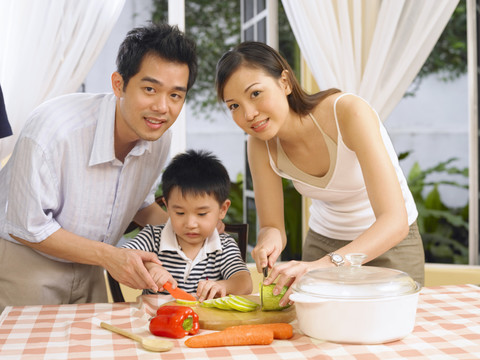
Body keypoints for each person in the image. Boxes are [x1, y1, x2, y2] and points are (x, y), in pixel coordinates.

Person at [0, 23, 198, 313]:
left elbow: (139, 204)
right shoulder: (54, 130)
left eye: (175, 95)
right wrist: (110, 257)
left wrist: (192, 228)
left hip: (93, 266)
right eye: (149, 89)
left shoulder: (158, 138)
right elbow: (26, 227)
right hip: (27, 262)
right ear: (119, 84)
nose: (162, 107)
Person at [215, 41, 425, 307]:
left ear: (285, 82)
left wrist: (323, 265)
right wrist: (268, 242)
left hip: (389, 243)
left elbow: (395, 222)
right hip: (323, 243)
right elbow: (273, 226)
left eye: (255, 93)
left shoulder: (348, 112)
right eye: (233, 106)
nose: (249, 114)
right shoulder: (259, 145)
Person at [122, 149, 252, 301]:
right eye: (180, 213)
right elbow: (123, 257)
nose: (190, 224)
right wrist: (151, 267)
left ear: (222, 209)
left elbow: (245, 282)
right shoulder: (152, 237)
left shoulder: (224, 246)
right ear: (167, 206)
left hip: (204, 322)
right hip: (154, 321)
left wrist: (223, 286)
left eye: (202, 214)